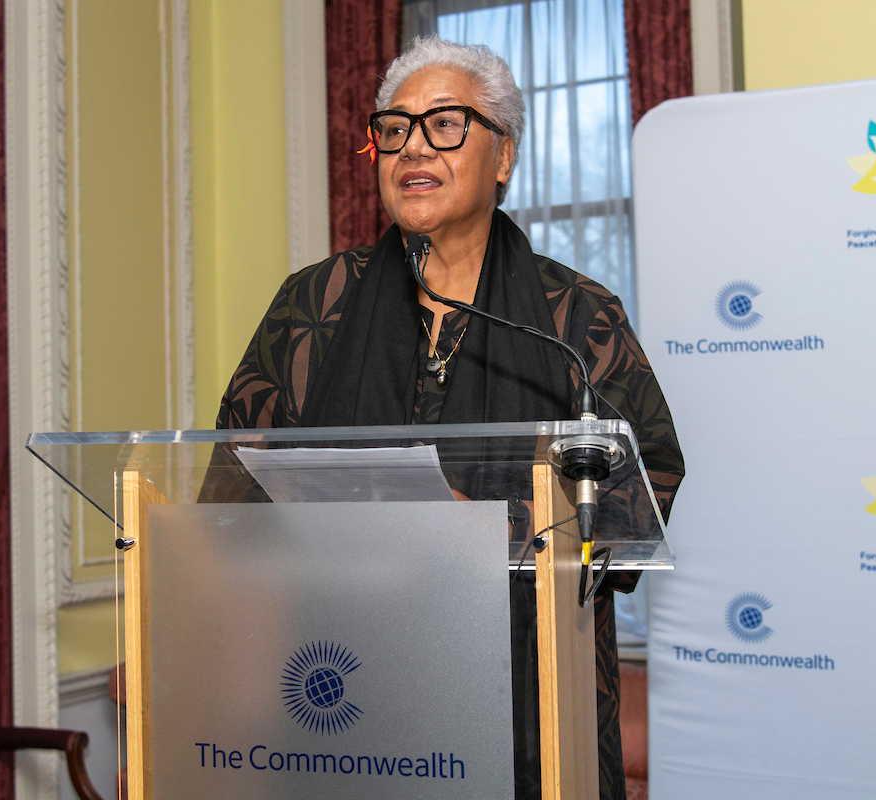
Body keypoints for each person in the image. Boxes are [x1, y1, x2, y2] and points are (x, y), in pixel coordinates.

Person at [209, 37, 684, 800]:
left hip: (532, 695)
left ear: (504, 157)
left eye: (445, 124)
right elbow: (232, 489)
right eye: (393, 129)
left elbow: (646, 479)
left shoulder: (575, 318)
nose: (411, 149)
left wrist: (489, 529)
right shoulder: (313, 307)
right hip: (340, 682)